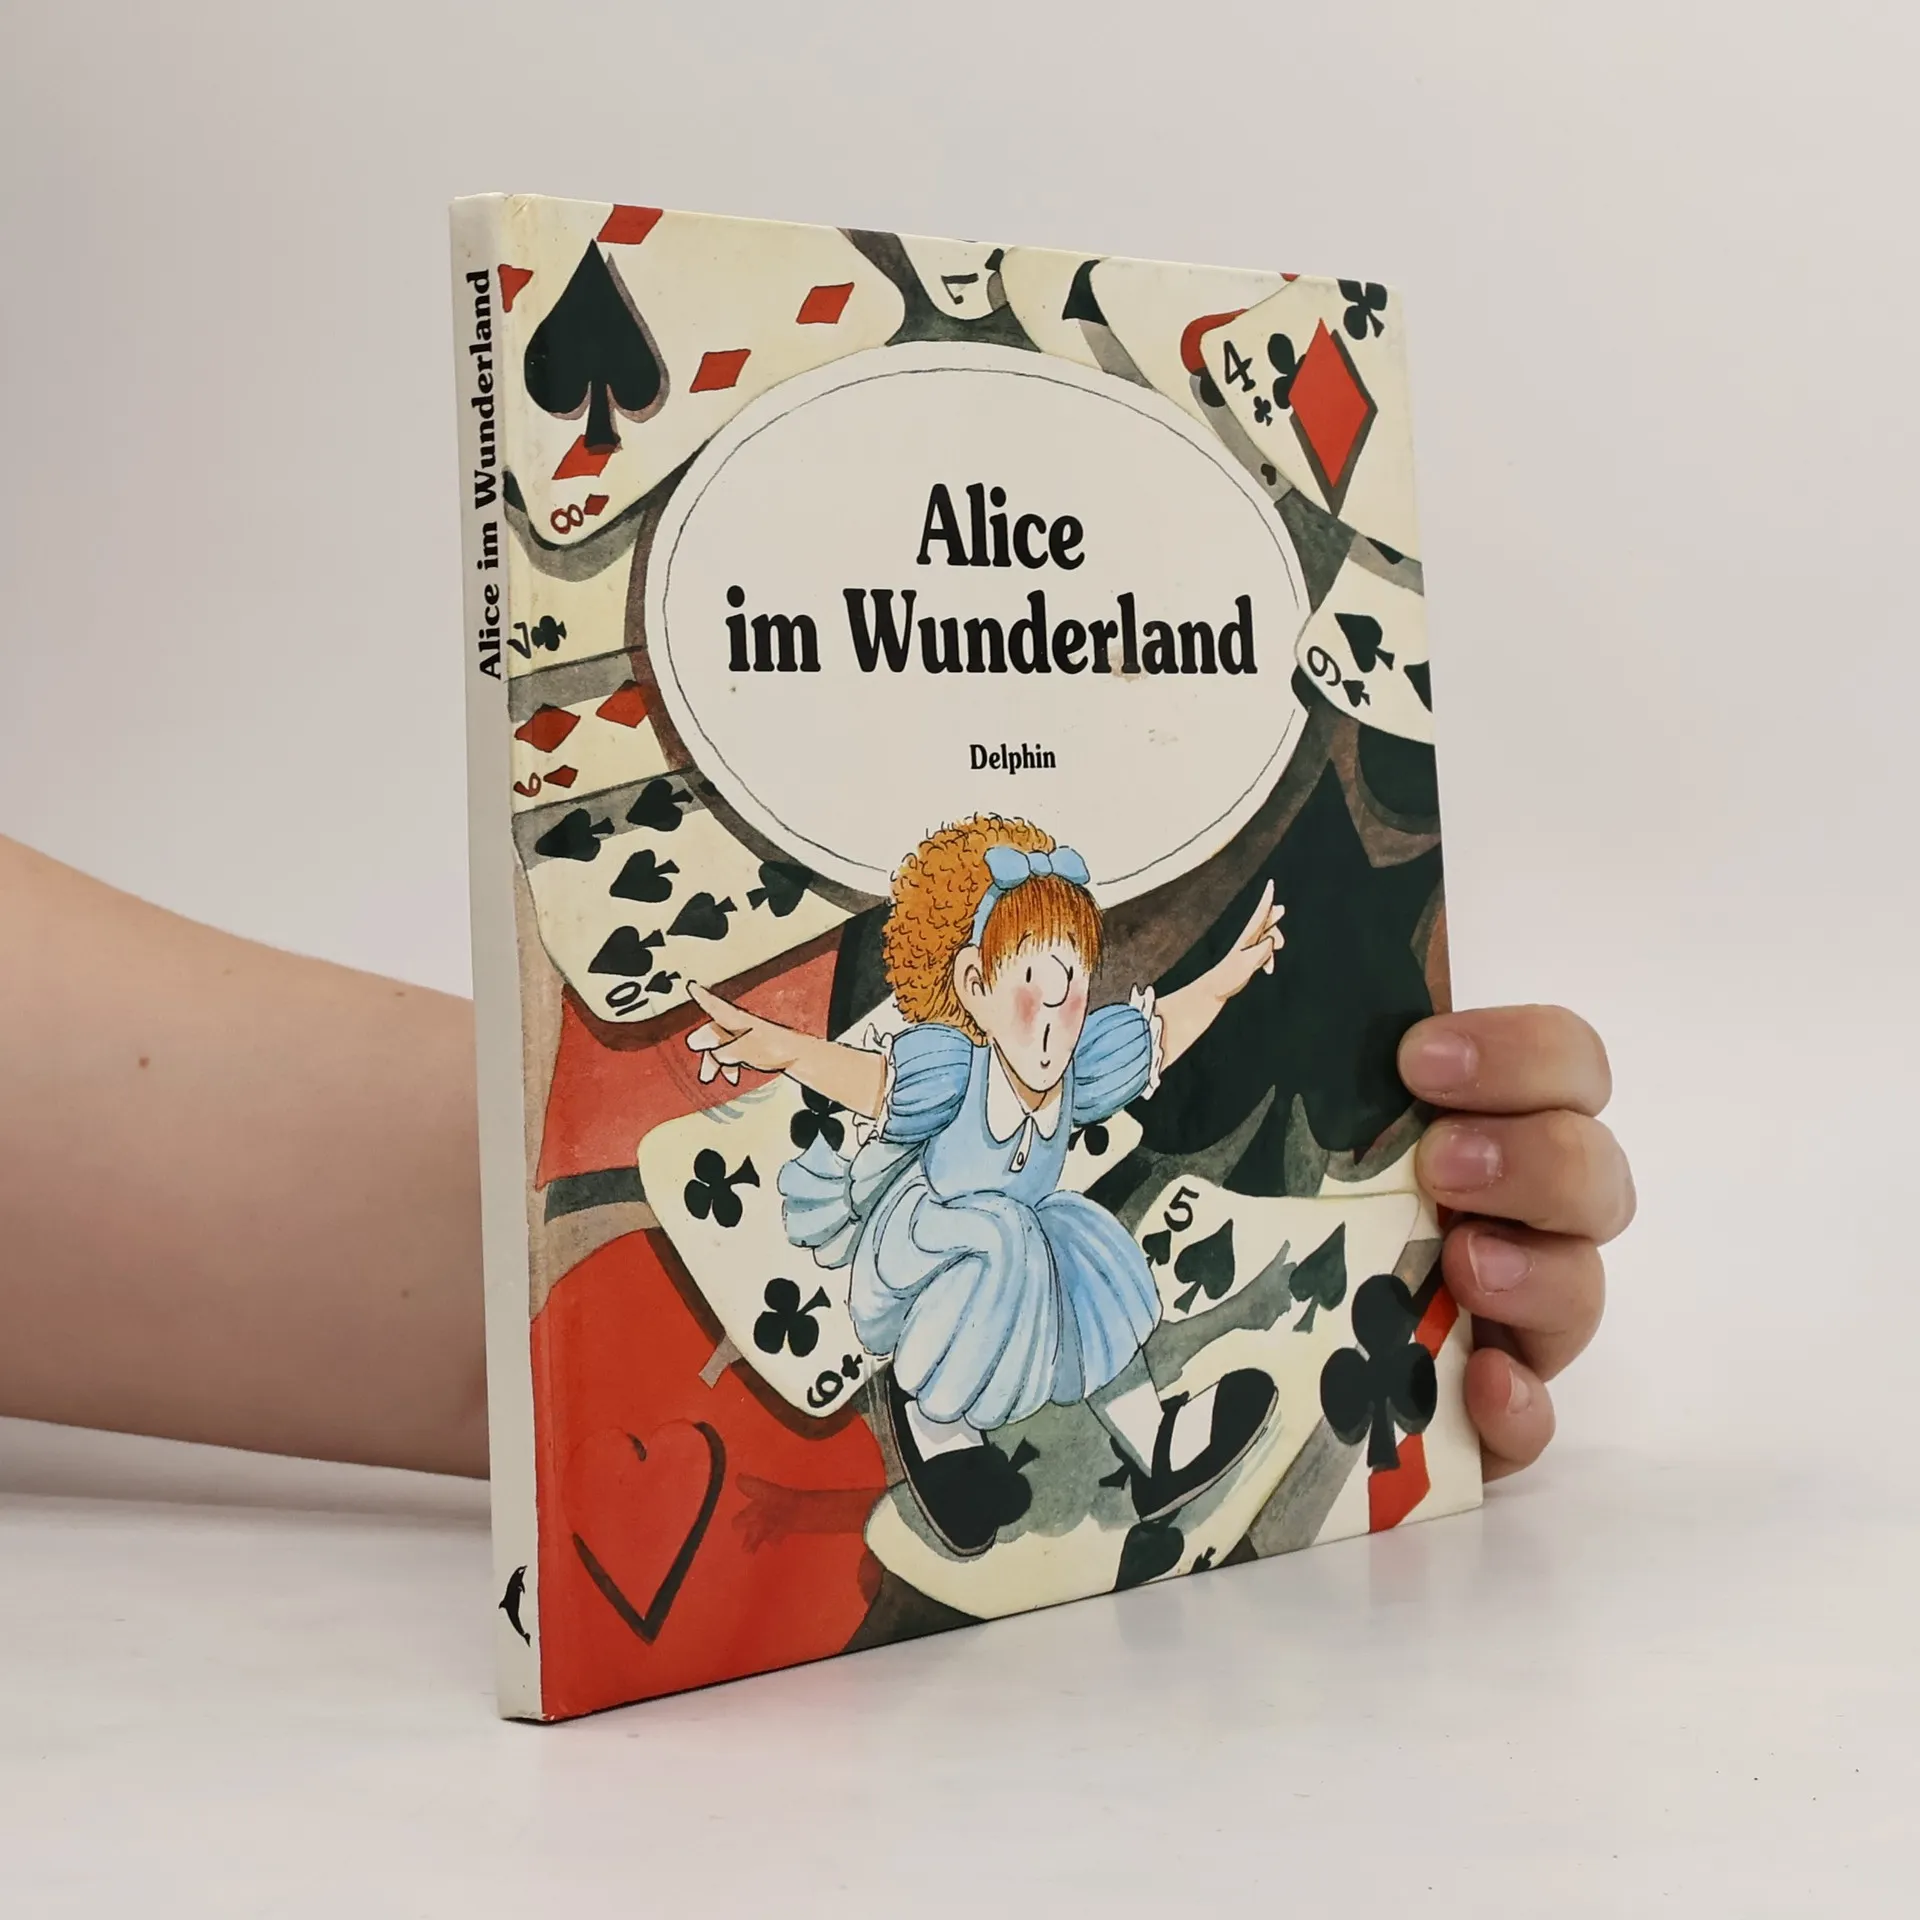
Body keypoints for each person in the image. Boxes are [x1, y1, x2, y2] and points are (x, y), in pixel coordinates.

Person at [0, 829, 1634, 1487]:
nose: (1059, 1004)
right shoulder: (939, 1062)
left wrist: (1339, 1132)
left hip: (1016, 1237)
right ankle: (950, 1435)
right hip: (934, 1242)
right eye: (1035, 979)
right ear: (976, 984)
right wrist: (763, 1051)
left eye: (1072, 979)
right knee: (987, 1287)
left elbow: (1168, 1027)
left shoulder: (1077, 1053)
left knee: (1097, 1282)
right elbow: (850, 1072)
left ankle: (1152, 1437)